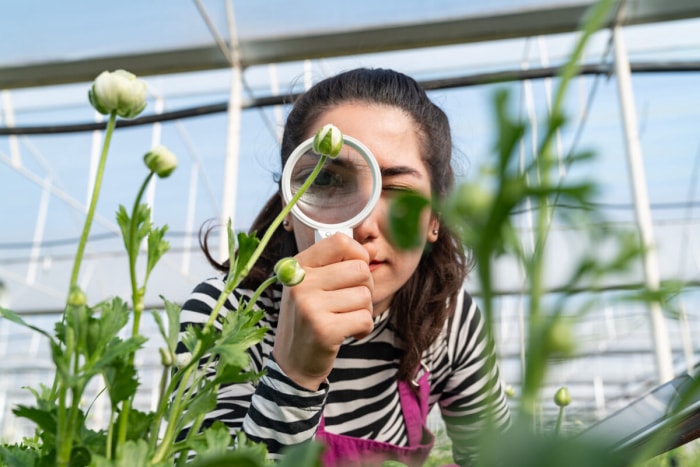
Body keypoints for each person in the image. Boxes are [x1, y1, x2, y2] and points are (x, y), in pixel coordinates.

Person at [177, 67, 511, 466]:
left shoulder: (447, 319)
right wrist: (294, 376)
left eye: (397, 191)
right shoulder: (225, 313)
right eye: (327, 181)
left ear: (435, 217)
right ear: (289, 205)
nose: (363, 224)